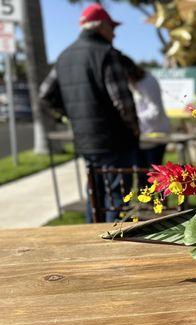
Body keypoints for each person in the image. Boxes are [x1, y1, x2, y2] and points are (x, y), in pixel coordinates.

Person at [40, 3, 140, 222]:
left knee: (94, 195)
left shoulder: (64, 57)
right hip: (114, 140)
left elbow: (45, 94)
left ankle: (92, 243)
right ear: (101, 26)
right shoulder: (106, 54)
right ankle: (113, 248)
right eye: (112, 27)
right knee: (116, 197)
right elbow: (123, 102)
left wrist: (67, 114)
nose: (114, 32)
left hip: (85, 139)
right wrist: (135, 130)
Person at [120, 55, 170, 174]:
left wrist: (133, 120)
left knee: (154, 176)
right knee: (141, 176)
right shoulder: (132, 82)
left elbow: (155, 112)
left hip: (155, 135)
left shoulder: (147, 81)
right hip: (141, 136)